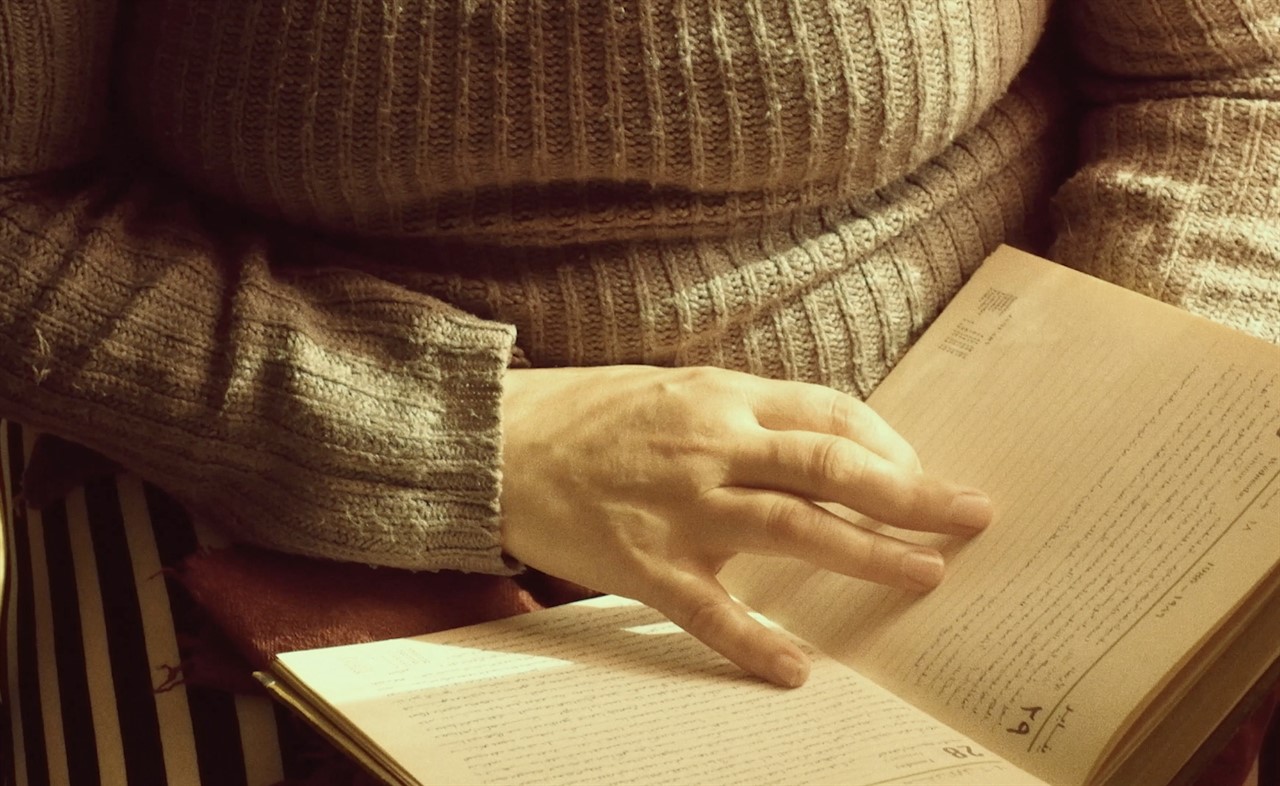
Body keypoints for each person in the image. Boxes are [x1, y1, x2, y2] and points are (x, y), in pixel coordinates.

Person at [1, 0, 1277, 781]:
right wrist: (466, 443)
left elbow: (1222, 73)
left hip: (964, 497)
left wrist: (1126, 424)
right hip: (282, 457)